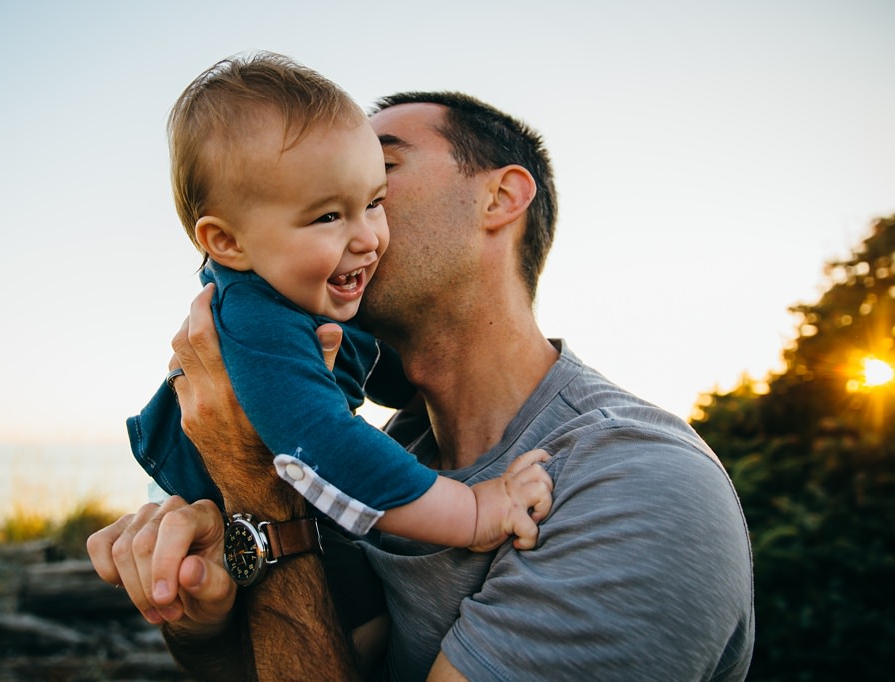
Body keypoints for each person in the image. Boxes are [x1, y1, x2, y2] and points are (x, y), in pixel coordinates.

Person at [91, 90, 754, 680]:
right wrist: (201, 619)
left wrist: (258, 496)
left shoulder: (635, 483)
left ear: (500, 197)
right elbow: (293, 648)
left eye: (377, 179)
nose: (357, 218)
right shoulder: (394, 449)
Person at [128, 53, 552, 557]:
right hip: (217, 508)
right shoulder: (256, 316)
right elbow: (322, 441)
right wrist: (475, 511)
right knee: (358, 606)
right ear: (228, 242)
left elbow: (381, 371)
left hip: (292, 490)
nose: (370, 237)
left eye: (374, 199)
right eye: (328, 215)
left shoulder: (318, 290)